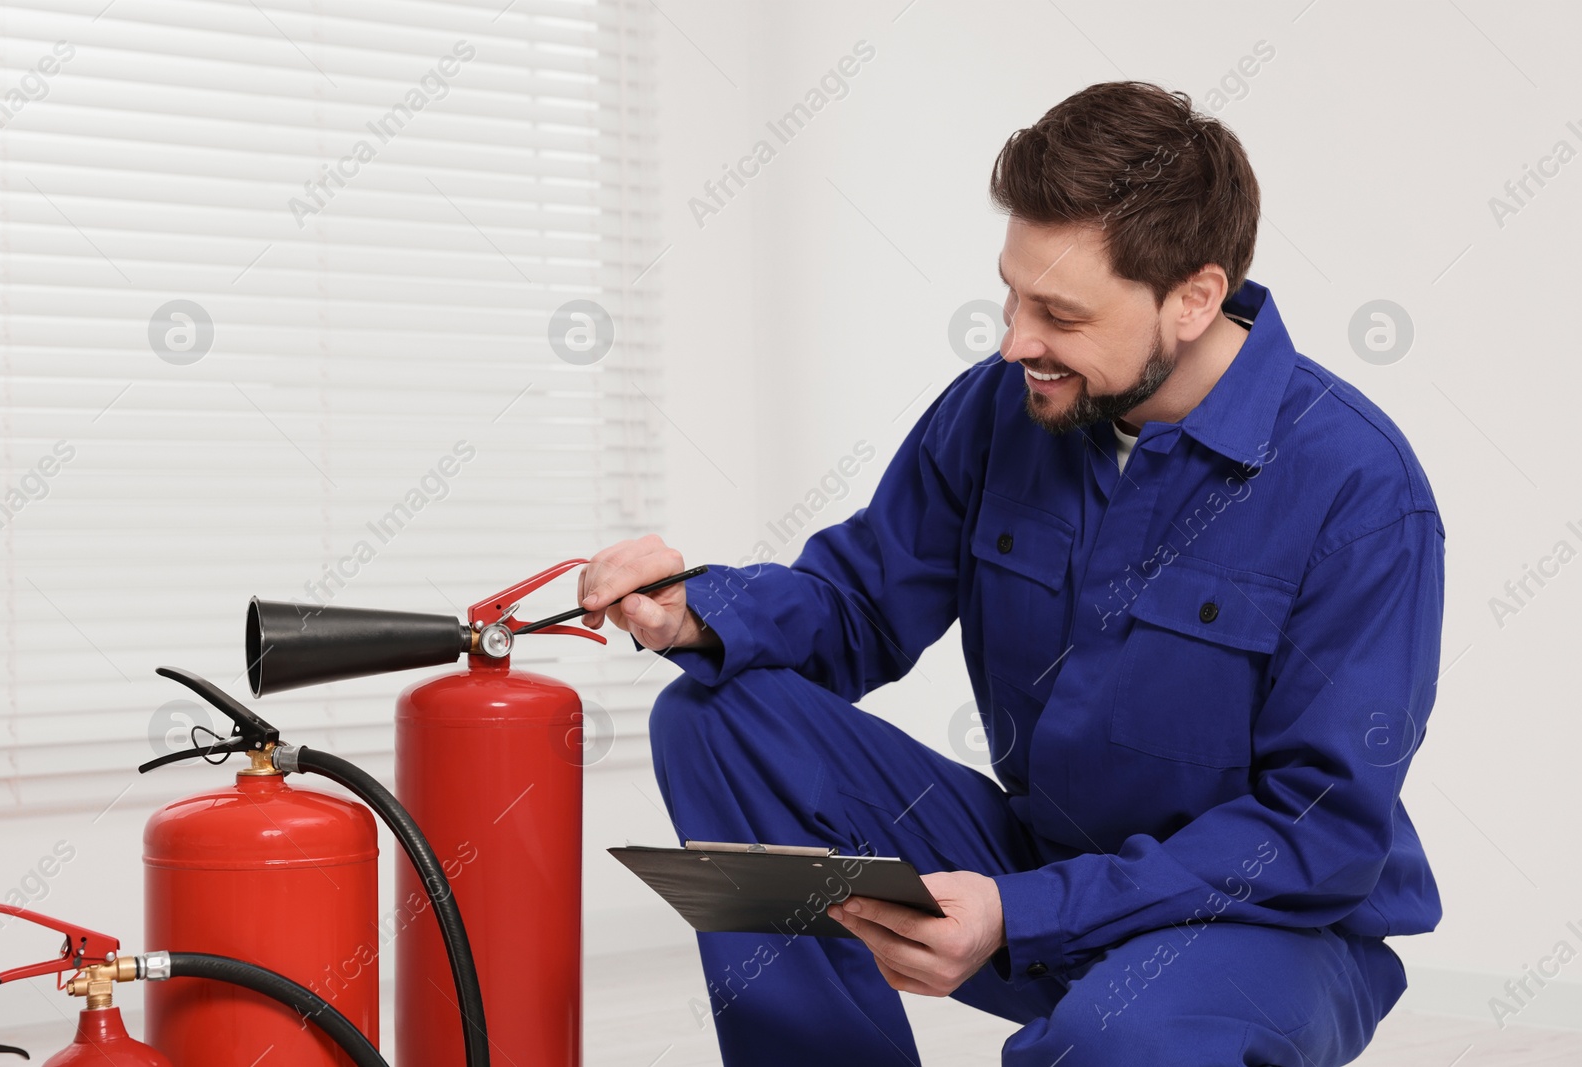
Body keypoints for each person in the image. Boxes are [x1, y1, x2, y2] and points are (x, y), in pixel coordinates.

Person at [577, 80, 1444, 1066]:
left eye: (1059, 312)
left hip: (1271, 928)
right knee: (713, 712)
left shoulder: (1357, 487)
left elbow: (1317, 831)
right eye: (1012, 291)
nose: (1014, 340)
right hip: (1038, 866)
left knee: (1116, 1038)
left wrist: (1023, 910)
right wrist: (700, 610)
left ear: (1193, 298)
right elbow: (861, 602)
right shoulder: (1004, 408)